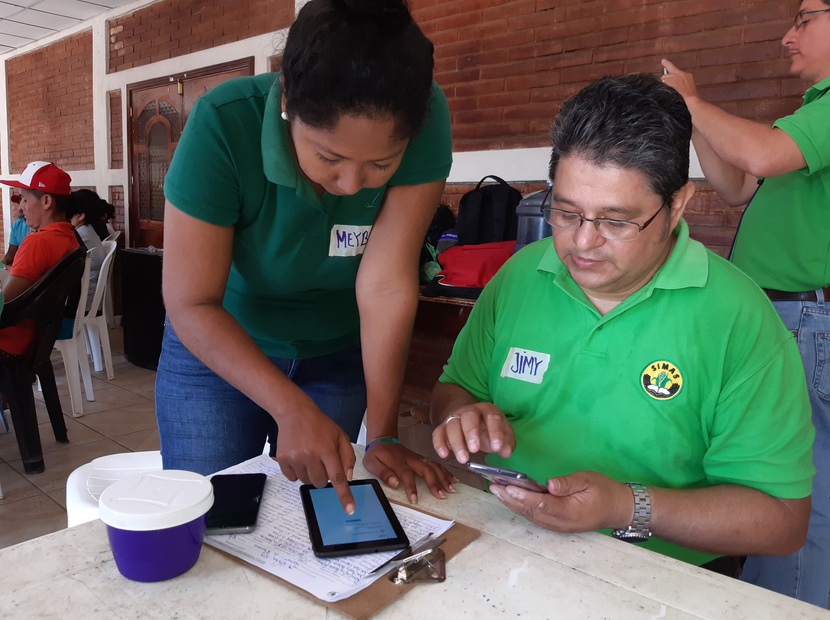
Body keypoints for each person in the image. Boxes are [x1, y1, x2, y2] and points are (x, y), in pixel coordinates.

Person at [430, 74, 815, 570]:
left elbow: (782, 519)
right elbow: (453, 390)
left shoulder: (736, 316)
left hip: (658, 577)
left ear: (676, 205)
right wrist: (460, 417)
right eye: (566, 212)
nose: (582, 243)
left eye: (616, 222)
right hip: (508, 543)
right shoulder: (523, 274)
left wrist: (624, 506)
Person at [156, 0, 455, 514]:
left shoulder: (425, 118)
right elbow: (191, 302)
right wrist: (291, 407)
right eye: (329, 157)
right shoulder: (225, 123)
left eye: (381, 163)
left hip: (337, 351)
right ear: (287, 101)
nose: (351, 184)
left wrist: (382, 436)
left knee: (318, 515)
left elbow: (385, 284)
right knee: (209, 516)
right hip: (220, 345)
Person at [661, 0, 830, 605]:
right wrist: (696, 116)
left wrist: (692, 102)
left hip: (809, 321)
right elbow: (737, 186)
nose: (788, 36)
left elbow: (760, 156)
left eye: (805, 18)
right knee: (771, 484)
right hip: (788, 319)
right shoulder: (809, 116)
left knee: (801, 497)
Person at [0, 161, 80, 355]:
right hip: (41, 332)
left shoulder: (37, 243)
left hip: (15, 338)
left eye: (25, 200)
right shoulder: (70, 238)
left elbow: (6, 303)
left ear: (46, 201)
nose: (21, 208)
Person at [66, 189, 107, 312]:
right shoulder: (87, 230)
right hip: (90, 294)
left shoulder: (81, 235)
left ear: (81, 216)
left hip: (85, 299)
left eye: (70, 215)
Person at [3, 194, 30, 268]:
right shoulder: (16, 225)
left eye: (25, 201)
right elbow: (11, 253)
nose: (20, 207)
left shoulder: (41, 226)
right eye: (18, 203)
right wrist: (4, 265)